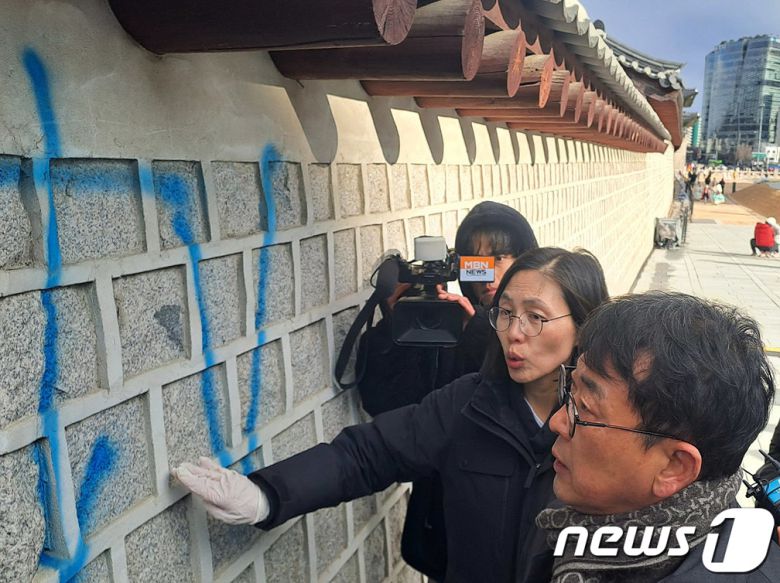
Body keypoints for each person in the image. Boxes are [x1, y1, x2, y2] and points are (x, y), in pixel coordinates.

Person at [173, 247, 610, 582]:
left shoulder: (617, 424)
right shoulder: (468, 406)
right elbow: (367, 454)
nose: (514, 333)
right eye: (506, 313)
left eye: (536, 317)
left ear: (585, 325)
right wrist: (264, 495)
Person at [535, 292, 780, 582]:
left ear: (674, 467)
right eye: (571, 390)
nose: (557, 421)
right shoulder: (577, 510)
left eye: (585, 408)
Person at [356, 200, 538, 579]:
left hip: (521, 529)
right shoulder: (448, 323)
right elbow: (386, 403)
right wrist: (395, 322)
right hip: (448, 529)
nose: (489, 274)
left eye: (501, 257)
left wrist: (482, 335)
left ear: (526, 259)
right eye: (477, 261)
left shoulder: (544, 322)